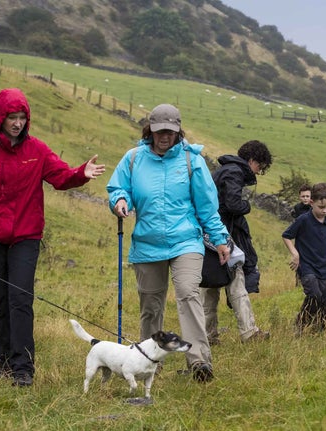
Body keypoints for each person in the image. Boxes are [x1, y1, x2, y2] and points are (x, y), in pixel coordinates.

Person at [0, 88, 106, 387]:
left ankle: (24, 369)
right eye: (12, 117)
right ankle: (6, 364)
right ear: (0, 117)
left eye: (22, 117)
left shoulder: (37, 150)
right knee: (0, 302)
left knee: (20, 299)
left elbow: (61, 177)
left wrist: (81, 173)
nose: (18, 123)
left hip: (25, 237)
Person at [107, 103, 229, 382]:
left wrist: (220, 240)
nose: (165, 136)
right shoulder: (133, 158)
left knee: (188, 293)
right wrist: (120, 200)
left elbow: (207, 207)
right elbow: (117, 187)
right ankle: (148, 362)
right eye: (160, 130)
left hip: (186, 241)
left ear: (178, 131)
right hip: (147, 244)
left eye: (171, 131)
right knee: (151, 305)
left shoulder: (191, 160)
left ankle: (199, 361)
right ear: (150, 129)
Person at [203, 140, 272, 344]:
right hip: (221, 234)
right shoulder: (235, 172)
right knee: (236, 279)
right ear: (251, 160)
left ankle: (208, 335)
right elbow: (233, 204)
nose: (258, 172)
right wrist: (246, 206)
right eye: (259, 166)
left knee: (210, 283)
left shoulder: (224, 169)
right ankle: (249, 332)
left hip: (207, 235)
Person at [282, 182, 326, 334]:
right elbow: (286, 236)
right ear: (311, 203)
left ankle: (320, 329)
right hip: (306, 266)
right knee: (314, 295)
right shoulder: (304, 219)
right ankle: (300, 325)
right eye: (321, 207)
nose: (324, 211)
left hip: (323, 267)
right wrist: (295, 254)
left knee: (325, 300)